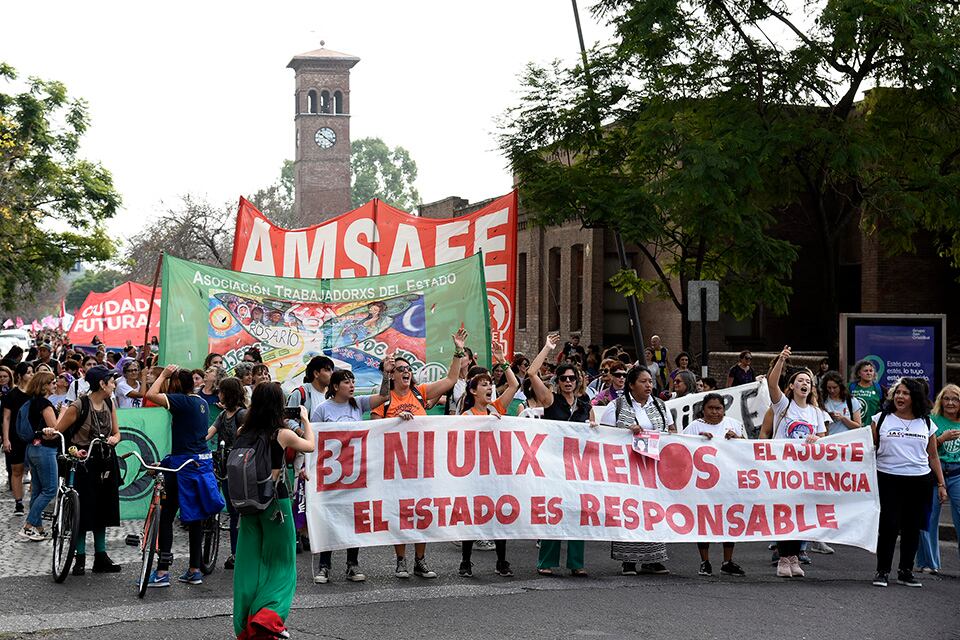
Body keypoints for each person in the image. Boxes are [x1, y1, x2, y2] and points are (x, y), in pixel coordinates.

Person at [371, 328, 469, 579]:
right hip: (395, 468)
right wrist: (397, 423)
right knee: (400, 514)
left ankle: (420, 561)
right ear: (391, 376)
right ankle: (401, 561)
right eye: (400, 369)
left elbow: (450, 380)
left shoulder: (420, 392)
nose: (406, 372)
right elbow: (373, 430)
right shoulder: (384, 400)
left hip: (422, 465)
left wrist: (458, 350)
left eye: (408, 369)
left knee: (422, 512)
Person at [233, 382, 315, 640]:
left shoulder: (242, 430)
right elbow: (310, 445)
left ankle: (245, 623)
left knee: (248, 563)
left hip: (247, 504)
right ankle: (268, 616)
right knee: (282, 562)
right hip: (274, 502)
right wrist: (304, 418)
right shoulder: (281, 433)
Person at [143, 365, 226, 587]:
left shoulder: (181, 401)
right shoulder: (200, 402)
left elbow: (150, 395)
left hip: (182, 466)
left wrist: (163, 375)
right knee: (197, 518)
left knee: (168, 515)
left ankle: (162, 572)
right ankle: (194, 569)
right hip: (201, 464)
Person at [311, 370, 388, 584]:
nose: (352, 385)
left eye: (353, 381)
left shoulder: (358, 404)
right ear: (335, 386)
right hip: (330, 475)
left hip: (355, 473)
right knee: (329, 519)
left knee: (354, 519)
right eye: (347, 382)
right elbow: (313, 440)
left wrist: (387, 373)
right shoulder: (322, 410)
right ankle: (324, 566)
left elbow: (384, 396)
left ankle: (352, 565)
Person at [870, 377, 947, 588]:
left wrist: (941, 484)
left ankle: (905, 571)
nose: (900, 397)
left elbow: (932, 456)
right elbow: (867, 449)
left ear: (915, 397)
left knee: (913, 527)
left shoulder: (926, 422)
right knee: (889, 526)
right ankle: (882, 571)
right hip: (887, 479)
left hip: (920, 481)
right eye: (897, 393)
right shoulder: (881, 419)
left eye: (905, 393)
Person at [599, 366, 675, 575]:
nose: (649, 385)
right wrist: (625, 432)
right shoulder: (616, 406)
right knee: (630, 511)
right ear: (631, 385)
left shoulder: (660, 406)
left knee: (654, 511)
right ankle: (628, 561)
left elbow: (672, 433)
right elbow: (605, 438)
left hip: (653, 468)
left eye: (650, 381)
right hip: (627, 469)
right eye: (643, 381)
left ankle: (654, 559)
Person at [527, 334, 593, 576]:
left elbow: (594, 434)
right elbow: (532, 374)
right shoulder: (550, 400)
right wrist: (547, 347)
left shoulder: (586, 405)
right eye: (564, 378)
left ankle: (576, 563)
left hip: (578, 467)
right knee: (554, 511)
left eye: (571, 378)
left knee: (577, 511)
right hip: (553, 465)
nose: (568, 381)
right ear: (557, 381)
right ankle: (546, 561)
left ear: (577, 382)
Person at [54, 365, 123, 574]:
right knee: (83, 510)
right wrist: (52, 433)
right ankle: (80, 558)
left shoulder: (109, 402)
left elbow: (117, 433)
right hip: (83, 462)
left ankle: (101, 557)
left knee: (103, 509)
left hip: (105, 459)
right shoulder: (79, 405)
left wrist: (114, 439)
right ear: (102, 384)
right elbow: (59, 432)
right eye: (111, 381)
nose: (114, 384)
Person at [764, 346, 825, 578]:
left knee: (800, 513)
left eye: (808, 381)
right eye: (800, 380)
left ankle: (794, 558)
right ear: (792, 386)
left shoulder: (816, 412)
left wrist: (816, 439)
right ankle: (783, 558)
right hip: (783, 468)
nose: (804, 384)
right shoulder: (783, 406)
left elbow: (824, 439)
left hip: (805, 471)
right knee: (784, 512)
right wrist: (781, 359)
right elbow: (771, 384)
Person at [458, 353, 520, 579]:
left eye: (490, 384)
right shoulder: (466, 415)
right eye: (483, 384)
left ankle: (502, 561)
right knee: (473, 515)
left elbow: (514, 384)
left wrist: (504, 362)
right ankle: (465, 561)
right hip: (474, 472)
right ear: (473, 391)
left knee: (500, 514)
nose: (489, 387)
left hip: (496, 471)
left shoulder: (496, 410)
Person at [682, 393, 746, 576]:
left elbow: (746, 452)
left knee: (730, 521)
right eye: (711, 408)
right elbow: (682, 450)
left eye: (718, 408)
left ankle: (727, 561)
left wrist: (738, 440)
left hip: (728, 482)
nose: (715, 412)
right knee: (705, 522)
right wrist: (697, 441)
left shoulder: (733, 424)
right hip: (703, 485)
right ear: (703, 409)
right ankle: (705, 561)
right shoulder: (694, 427)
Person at [916, 384, 960, 574]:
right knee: (928, 518)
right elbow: (922, 449)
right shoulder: (932, 420)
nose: (950, 403)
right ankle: (928, 563)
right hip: (934, 472)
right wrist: (941, 439)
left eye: (955, 399)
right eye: (947, 398)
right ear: (941, 401)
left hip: (958, 473)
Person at [205, 377, 247, 571]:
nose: (218, 394)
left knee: (236, 512)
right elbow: (209, 433)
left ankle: (238, 552)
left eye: (221, 391)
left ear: (228, 393)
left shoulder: (242, 414)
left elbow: (247, 436)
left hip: (238, 468)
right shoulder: (223, 415)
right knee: (232, 511)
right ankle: (235, 552)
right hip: (224, 467)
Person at [17, 371, 60, 541]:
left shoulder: (32, 402)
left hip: (32, 449)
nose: (55, 384)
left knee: (37, 490)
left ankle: (39, 529)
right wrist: (63, 413)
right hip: (45, 450)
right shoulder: (44, 404)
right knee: (50, 490)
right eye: (52, 382)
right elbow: (55, 429)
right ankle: (28, 526)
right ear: (44, 386)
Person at [2, 361, 34, 516]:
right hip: (15, 437)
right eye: (28, 372)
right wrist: (6, 439)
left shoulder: (35, 394)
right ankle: (19, 503)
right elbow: (6, 418)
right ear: (20, 375)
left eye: (32, 372)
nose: (31, 375)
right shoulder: (11, 395)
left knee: (36, 470)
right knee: (17, 470)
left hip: (33, 437)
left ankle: (35, 501)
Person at [821, 371, 863, 435]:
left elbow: (858, 425)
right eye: (829, 388)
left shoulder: (851, 401)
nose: (832, 390)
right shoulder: (822, 401)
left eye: (835, 387)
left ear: (840, 386)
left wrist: (843, 418)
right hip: (829, 439)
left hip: (847, 439)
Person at [849, 360, 886, 425]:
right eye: (866, 371)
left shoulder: (879, 388)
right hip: (854, 428)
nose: (869, 373)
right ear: (859, 373)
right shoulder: (851, 387)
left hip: (872, 427)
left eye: (871, 371)